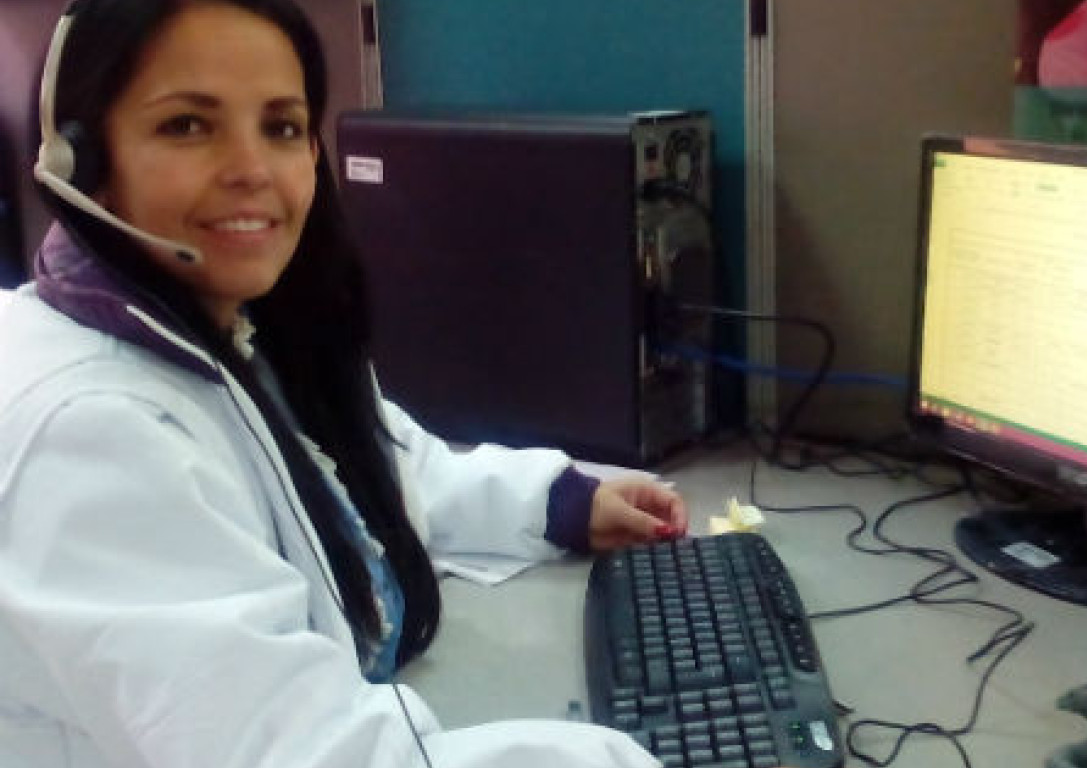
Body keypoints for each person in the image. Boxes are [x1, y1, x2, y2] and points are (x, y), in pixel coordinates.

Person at [0, 1, 691, 766]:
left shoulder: (220, 328)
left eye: (281, 126)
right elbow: (298, 754)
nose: (252, 170)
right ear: (78, 159)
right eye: (187, 125)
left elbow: (366, 474)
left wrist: (557, 503)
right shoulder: (87, 436)